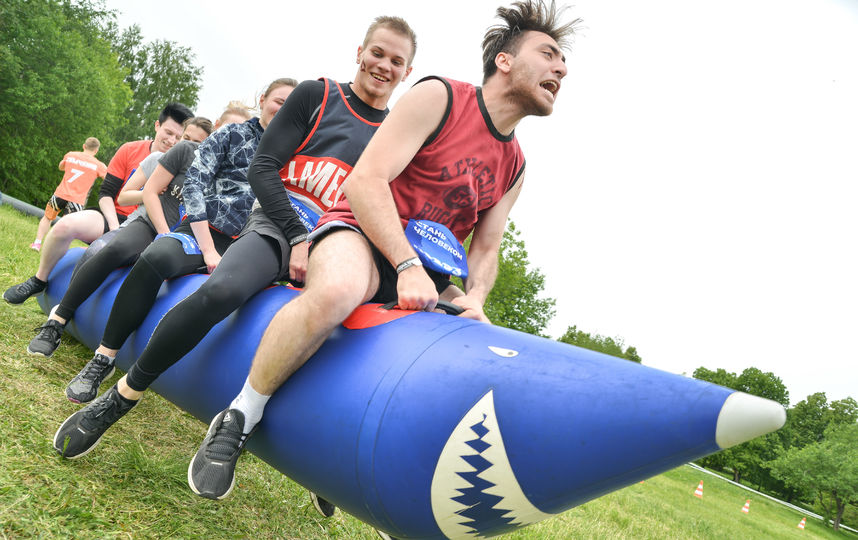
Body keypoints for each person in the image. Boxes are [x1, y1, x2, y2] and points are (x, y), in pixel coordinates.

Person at [184, 0, 576, 501]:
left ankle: (369, 463)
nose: (561, 68)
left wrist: (475, 297)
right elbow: (365, 182)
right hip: (362, 233)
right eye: (549, 54)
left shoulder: (516, 163)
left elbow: (487, 246)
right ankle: (239, 414)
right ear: (504, 60)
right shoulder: (440, 96)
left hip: (429, 269)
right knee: (342, 289)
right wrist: (406, 264)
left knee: (478, 344)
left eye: (563, 62)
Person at [50, 77, 296, 451]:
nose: (284, 110)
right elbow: (195, 184)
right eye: (279, 101)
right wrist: (208, 249)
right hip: (206, 231)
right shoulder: (229, 136)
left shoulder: (295, 150)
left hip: (255, 244)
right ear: (263, 100)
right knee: (155, 257)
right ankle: (104, 358)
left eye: (293, 106)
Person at [24, 116, 215, 359]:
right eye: (186, 139)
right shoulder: (162, 160)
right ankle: (57, 320)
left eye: (198, 143)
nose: (190, 146)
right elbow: (130, 196)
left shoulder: (211, 177)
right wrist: (156, 213)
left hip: (181, 239)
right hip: (148, 225)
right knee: (115, 249)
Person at [3, 103, 194, 305]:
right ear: (157, 126)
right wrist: (114, 227)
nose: (172, 141)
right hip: (114, 216)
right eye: (168, 132)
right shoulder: (130, 150)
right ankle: (39, 280)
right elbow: (106, 194)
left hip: (147, 227)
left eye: (178, 137)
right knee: (64, 225)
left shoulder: (184, 168)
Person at [31, 138, 108, 251]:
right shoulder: (99, 165)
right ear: (96, 150)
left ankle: (37, 244)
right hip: (77, 200)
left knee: (47, 218)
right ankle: (55, 251)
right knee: (67, 227)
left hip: (60, 194)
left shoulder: (71, 155)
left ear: (83, 146)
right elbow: (108, 178)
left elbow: (61, 166)